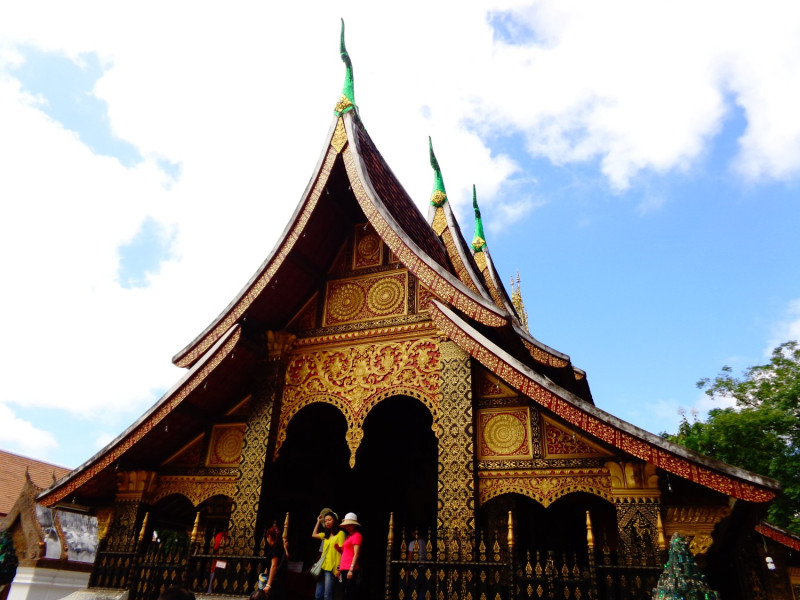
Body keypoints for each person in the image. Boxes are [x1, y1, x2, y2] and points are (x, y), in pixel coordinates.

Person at [312, 508, 344, 600]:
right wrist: (318, 521)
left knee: (327, 595)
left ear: (335, 520)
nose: (327, 522)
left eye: (329, 520)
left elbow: (341, 551)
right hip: (322, 567)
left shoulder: (340, 533)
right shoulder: (326, 535)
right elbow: (313, 534)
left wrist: (339, 568)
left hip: (331, 568)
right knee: (318, 595)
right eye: (325, 521)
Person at [337, 512, 362, 600]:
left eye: (349, 524)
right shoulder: (348, 536)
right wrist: (339, 568)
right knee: (343, 592)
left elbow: (356, 553)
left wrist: (351, 569)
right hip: (344, 568)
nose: (347, 526)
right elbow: (345, 553)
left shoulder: (357, 535)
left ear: (354, 525)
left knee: (349, 593)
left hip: (350, 568)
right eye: (346, 525)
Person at [261, 526, 287, 599]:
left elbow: (274, 566)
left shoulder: (275, 549)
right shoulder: (280, 547)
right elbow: (287, 556)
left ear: (269, 536)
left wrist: (268, 585)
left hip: (275, 580)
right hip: (280, 579)